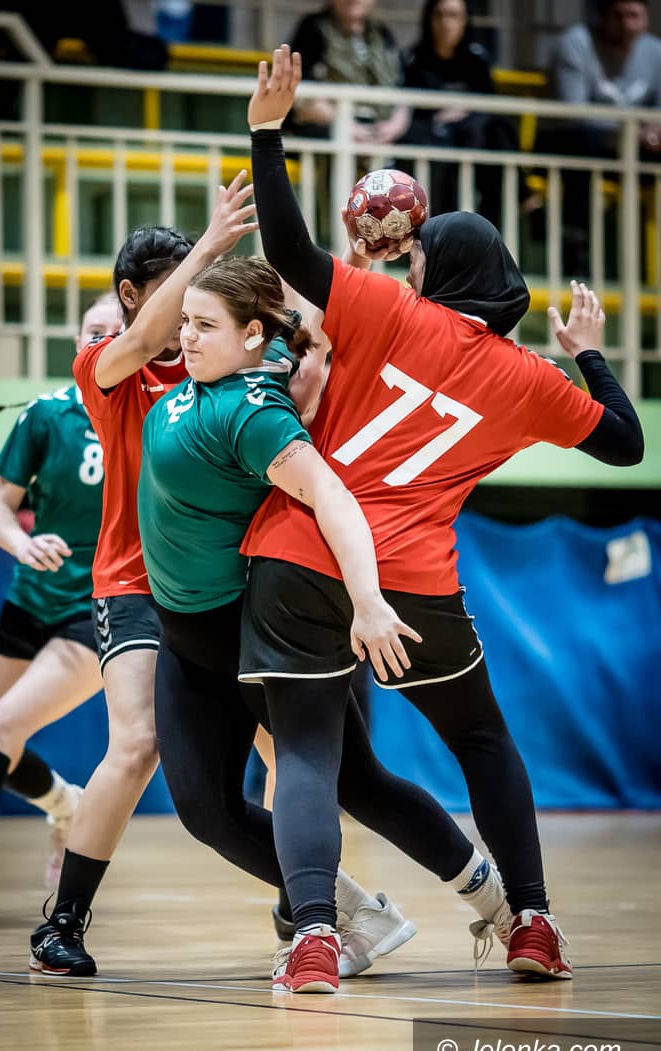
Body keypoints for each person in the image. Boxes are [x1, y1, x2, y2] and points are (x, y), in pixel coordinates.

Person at [239, 45, 644, 991]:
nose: (408, 263)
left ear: (443, 267)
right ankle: (531, 922)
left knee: (307, 750)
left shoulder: (390, 313)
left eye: (419, 255)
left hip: (299, 556)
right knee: (482, 741)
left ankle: (313, 938)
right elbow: (627, 444)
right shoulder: (532, 382)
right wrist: (587, 357)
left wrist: (267, 133)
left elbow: (289, 254)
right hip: (418, 584)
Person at [139, 253, 514, 992]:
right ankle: (358, 913)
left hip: (242, 629)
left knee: (360, 783)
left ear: (249, 336)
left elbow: (334, 498)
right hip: (182, 635)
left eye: (203, 325)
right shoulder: (240, 367)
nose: (185, 337)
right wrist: (346, 270)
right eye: (185, 321)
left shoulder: (255, 413)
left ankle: (496, 903)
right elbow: (298, 322)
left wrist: (369, 601)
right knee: (207, 813)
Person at [26, 177, 261, 976]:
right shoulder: (108, 365)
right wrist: (212, 245)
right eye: (175, 293)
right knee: (136, 744)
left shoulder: (214, 365)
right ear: (132, 296)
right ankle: (63, 923)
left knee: (286, 742)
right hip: (133, 585)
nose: (188, 313)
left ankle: (313, 911)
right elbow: (145, 336)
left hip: (221, 585)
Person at [0, 294, 122, 889]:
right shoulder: (47, 414)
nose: (102, 339)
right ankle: (65, 805)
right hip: (29, 597)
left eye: (116, 331)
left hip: (94, 607)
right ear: (76, 341)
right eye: (93, 330)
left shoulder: (149, 416)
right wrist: (22, 544)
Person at [549, 0, 661, 274]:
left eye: (634, 16)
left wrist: (652, 131)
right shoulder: (576, 43)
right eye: (618, 16)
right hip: (580, 143)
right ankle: (577, 257)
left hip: (637, 148)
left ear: (646, 19)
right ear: (601, 18)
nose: (627, 25)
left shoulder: (655, 51)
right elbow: (573, 112)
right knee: (581, 142)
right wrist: (632, 131)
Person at [400, 0, 525, 226]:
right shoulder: (414, 59)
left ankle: (497, 221)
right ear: (429, 20)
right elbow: (413, 113)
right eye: (440, 15)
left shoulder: (476, 61)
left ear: (465, 22)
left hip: (475, 143)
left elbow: (489, 106)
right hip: (433, 141)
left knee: (498, 130)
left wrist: (461, 111)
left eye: (453, 16)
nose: (446, 23)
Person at [288, 0, 409, 144]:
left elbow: (400, 86)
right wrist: (348, 127)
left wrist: (393, 127)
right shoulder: (314, 27)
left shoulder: (381, 32)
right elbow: (301, 90)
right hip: (330, 126)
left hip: (380, 128)